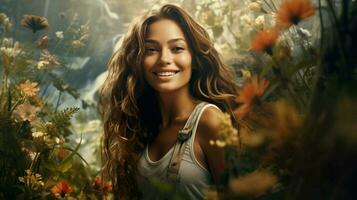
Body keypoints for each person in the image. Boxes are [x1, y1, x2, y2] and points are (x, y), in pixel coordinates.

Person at [99, 4, 239, 200]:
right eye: (151, 50)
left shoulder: (210, 121)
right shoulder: (139, 128)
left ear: (194, 57)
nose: (164, 59)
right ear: (137, 60)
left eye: (177, 48)